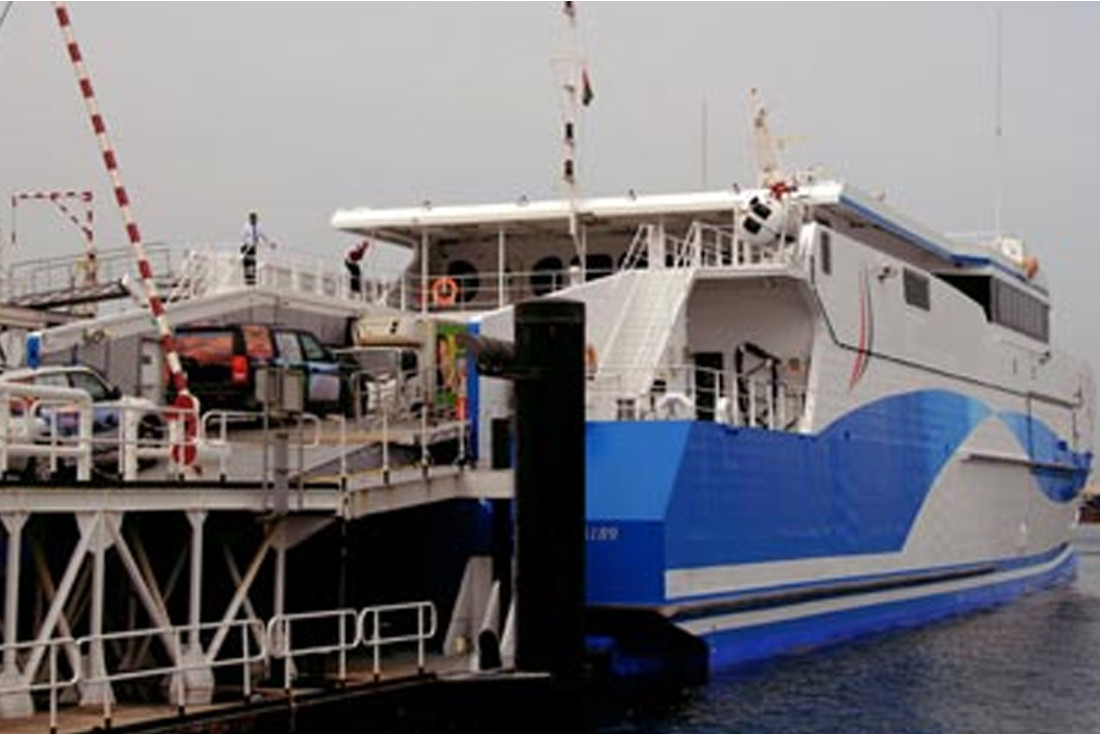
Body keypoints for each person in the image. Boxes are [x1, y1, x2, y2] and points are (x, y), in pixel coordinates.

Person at [240, 210, 275, 286]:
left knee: (253, 263)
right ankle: (247, 280)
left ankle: (252, 281)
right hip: (246, 247)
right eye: (252, 218)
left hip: (253, 247)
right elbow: (243, 238)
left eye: (254, 218)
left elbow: (264, 236)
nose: (253, 220)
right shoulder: (246, 226)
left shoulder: (259, 226)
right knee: (247, 264)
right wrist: (249, 243)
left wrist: (270, 243)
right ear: (250, 219)